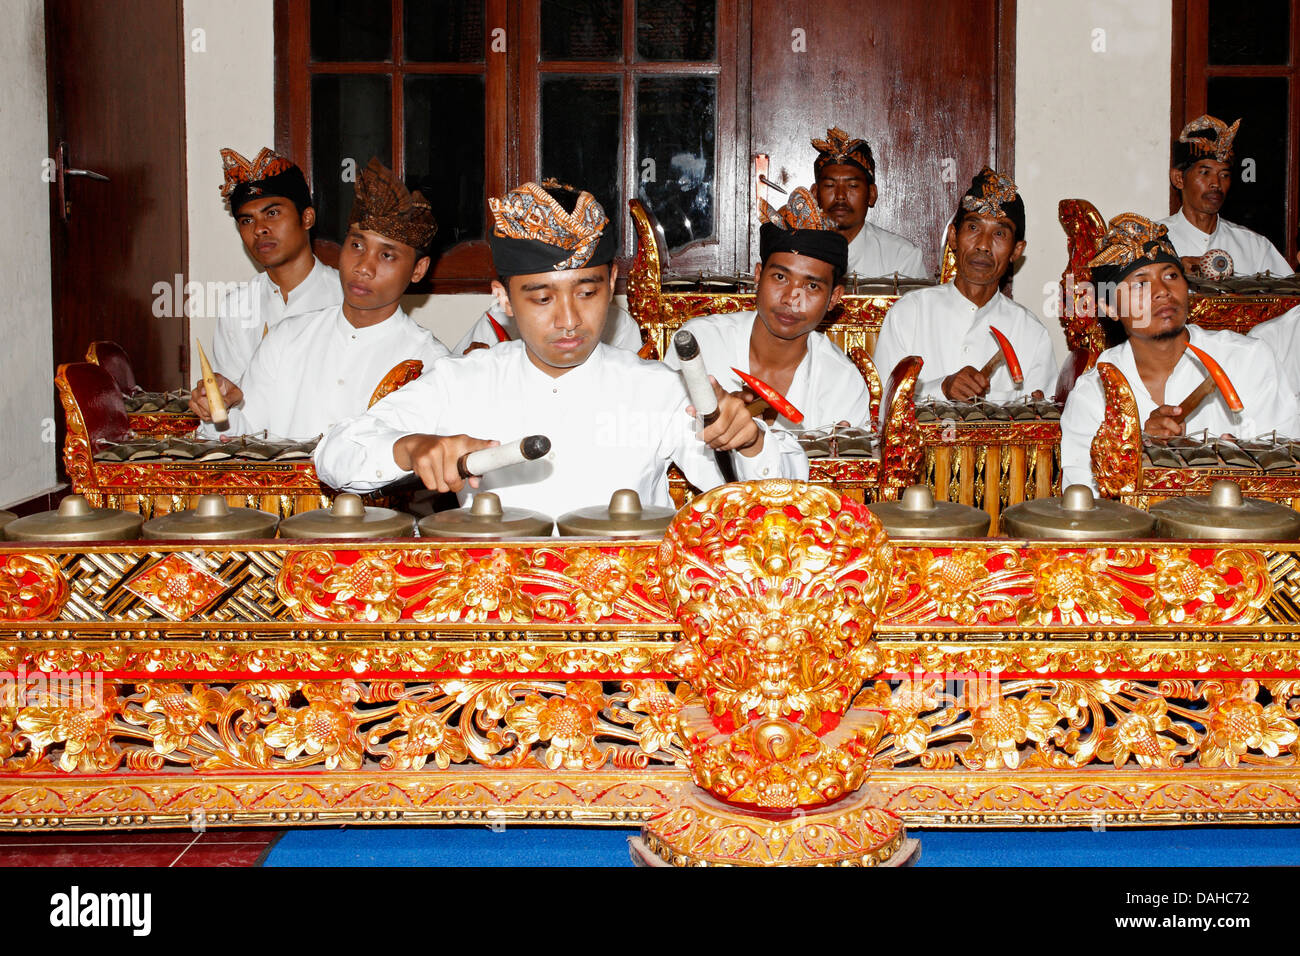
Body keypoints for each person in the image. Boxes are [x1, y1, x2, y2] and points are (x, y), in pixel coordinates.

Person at [314, 180, 806, 517]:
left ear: (612, 282)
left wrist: (750, 440)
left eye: (588, 293)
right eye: (542, 297)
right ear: (503, 298)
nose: (569, 319)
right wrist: (413, 447)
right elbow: (335, 453)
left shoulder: (657, 390)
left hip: (627, 630)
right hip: (501, 627)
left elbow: (777, 495)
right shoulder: (463, 382)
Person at [190, 159, 448, 440]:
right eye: (357, 245)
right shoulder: (286, 337)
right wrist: (218, 411)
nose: (363, 266)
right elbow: (242, 431)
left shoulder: (430, 362)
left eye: (386, 255)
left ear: (418, 270)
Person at [1061, 213, 1300, 491]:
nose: (1163, 291)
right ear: (1110, 308)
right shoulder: (1095, 393)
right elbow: (1084, 502)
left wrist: (1240, 469)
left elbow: (1289, 470)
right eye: (1140, 283)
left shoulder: (1247, 360)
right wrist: (1134, 450)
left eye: (1171, 275)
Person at [662, 187, 869, 429]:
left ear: (834, 298)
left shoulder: (842, 382)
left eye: (812, 285)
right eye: (780, 277)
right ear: (758, 277)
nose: (792, 299)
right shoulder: (701, 344)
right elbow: (661, 438)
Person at [871, 167, 1057, 405]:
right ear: (952, 237)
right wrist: (940, 389)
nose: (983, 245)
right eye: (973, 228)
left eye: (999, 233)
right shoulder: (909, 314)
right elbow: (882, 405)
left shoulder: (1031, 333)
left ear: (1016, 250)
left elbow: (1042, 420)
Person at [211, 146, 343, 382]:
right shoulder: (237, 307)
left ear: (307, 218)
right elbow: (229, 401)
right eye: (247, 220)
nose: (259, 228)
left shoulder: (347, 297)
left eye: (272, 213)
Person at [1158, 115, 1292, 277]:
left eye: (1224, 175)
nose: (1216, 183)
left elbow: (1291, 300)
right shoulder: (1153, 242)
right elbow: (1124, 295)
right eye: (1205, 172)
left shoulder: (1254, 246)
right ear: (1179, 178)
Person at [811, 127, 926, 278]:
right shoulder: (794, 251)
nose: (840, 196)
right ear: (814, 194)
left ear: (871, 194)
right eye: (830, 186)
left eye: (852, 186)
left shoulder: (901, 256)